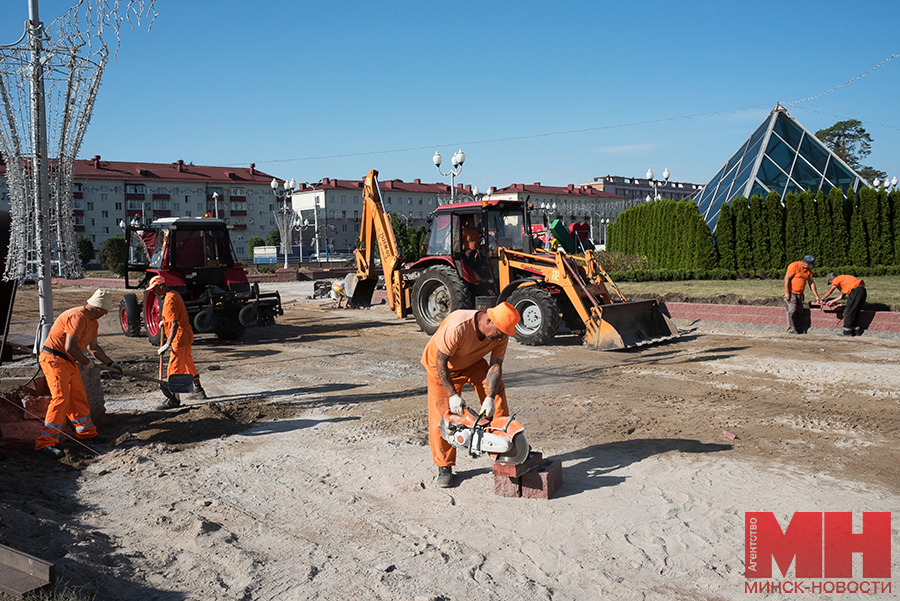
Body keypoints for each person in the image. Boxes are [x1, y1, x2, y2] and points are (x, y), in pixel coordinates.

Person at [420, 302, 520, 488]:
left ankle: (504, 452)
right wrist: (452, 395)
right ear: (489, 320)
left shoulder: (501, 334)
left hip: (471, 362)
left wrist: (489, 397)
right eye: (500, 332)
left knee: (497, 392)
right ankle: (444, 466)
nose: (502, 337)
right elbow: (440, 362)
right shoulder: (458, 326)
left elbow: (495, 365)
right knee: (443, 417)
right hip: (440, 367)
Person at [35, 289, 123, 459]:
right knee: (60, 398)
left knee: (78, 396)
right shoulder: (77, 317)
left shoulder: (93, 322)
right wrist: (85, 362)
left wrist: (111, 363)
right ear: (98, 307)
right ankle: (45, 443)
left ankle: (86, 433)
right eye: (105, 310)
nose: (105, 313)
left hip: (69, 361)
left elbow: (94, 348)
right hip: (54, 359)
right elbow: (70, 347)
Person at [147, 275, 205, 408]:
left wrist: (168, 344)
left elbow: (174, 324)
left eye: (155, 289)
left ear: (161, 285)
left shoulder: (169, 300)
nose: (154, 292)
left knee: (174, 368)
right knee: (188, 364)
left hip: (179, 339)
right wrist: (164, 321)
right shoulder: (174, 294)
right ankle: (199, 390)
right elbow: (175, 316)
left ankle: (174, 399)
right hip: (185, 336)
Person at [783, 254, 820, 334]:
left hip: (800, 293)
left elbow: (811, 283)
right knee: (792, 310)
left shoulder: (808, 270)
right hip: (792, 292)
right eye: (808, 265)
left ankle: (798, 327)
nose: (809, 267)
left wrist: (816, 296)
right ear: (803, 262)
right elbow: (787, 279)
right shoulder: (794, 266)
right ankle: (791, 329)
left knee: (799, 311)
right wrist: (787, 292)